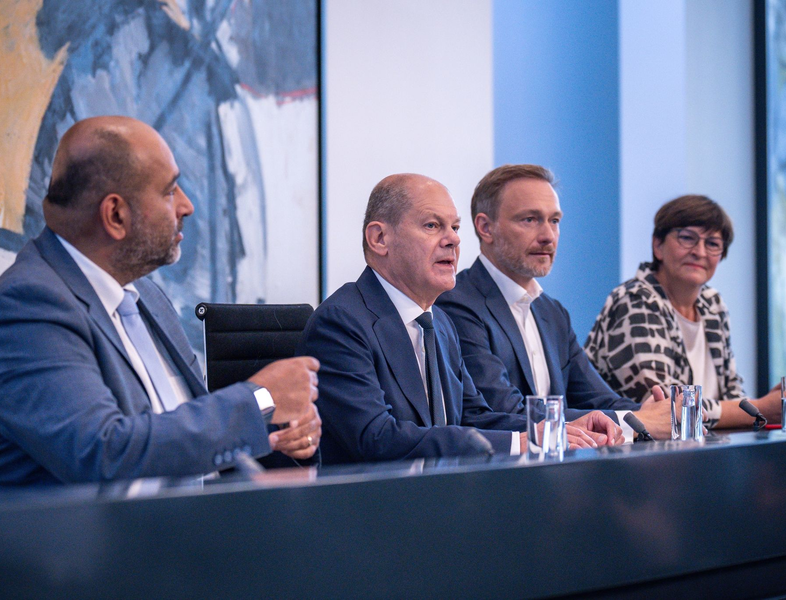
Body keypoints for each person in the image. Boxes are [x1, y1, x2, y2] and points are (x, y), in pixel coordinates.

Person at [0, 116, 321, 485]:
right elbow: (103, 453)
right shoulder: (28, 305)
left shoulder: (147, 297)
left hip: (185, 517)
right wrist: (259, 400)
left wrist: (271, 431)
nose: (187, 206)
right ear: (116, 215)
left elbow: (182, 434)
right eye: (170, 192)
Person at [297, 174, 619, 464]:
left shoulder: (439, 323)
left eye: (455, 227)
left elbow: (474, 416)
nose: (453, 239)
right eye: (432, 225)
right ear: (380, 238)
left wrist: (558, 428)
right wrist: (516, 443)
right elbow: (376, 438)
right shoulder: (341, 323)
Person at [436, 164, 670, 441]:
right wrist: (638, 422)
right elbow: (502, 411)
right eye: (530, 220)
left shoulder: (552, 312)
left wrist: (652, 411)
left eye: (555, 220)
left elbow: (599, 398)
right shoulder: (456, 305)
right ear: (486, 227)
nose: (548, 236)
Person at [585, 194, 781, 429]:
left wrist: (760, 409)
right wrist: (761, 409)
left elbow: (732, 393)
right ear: (658, 245)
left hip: (701, 444)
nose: (700, 252)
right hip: (629, 447)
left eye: (712, 244)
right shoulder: (634, 300)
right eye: (687, 238)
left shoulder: (713, 304)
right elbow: (667, 407)